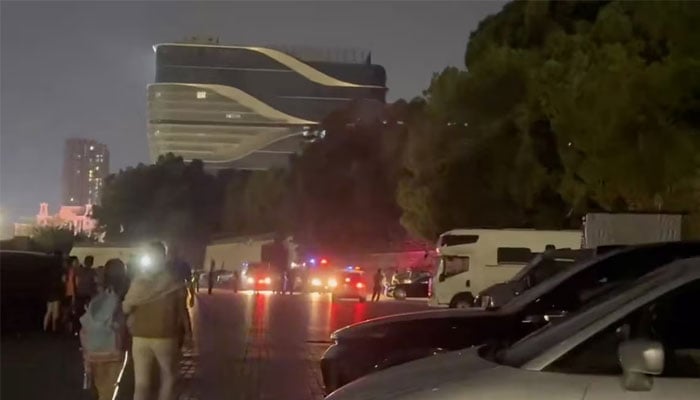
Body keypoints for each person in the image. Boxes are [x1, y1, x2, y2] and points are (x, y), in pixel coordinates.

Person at [123, 241, 192, 400]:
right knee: (168, 377)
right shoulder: (173, 281)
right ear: (164, 256)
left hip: (140, 336)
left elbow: (126, 308)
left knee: (141, 383)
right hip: (165, 335)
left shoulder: (139, 281)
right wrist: (188, 332)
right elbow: (182, 310)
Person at [80, 266, 128, 400]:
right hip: (112, 350)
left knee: (99, 387)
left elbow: (85, 326)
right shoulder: (120, 298)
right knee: (109, 388)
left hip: (92, 349)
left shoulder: (93, 299)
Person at [44, 251, 65, 332]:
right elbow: (63, 280)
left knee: (48, 311)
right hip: (56, 291)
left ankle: (45, 328)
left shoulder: (49, 268)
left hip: (49, 290)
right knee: (55, 313)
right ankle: (54, 329)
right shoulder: (60, 269)